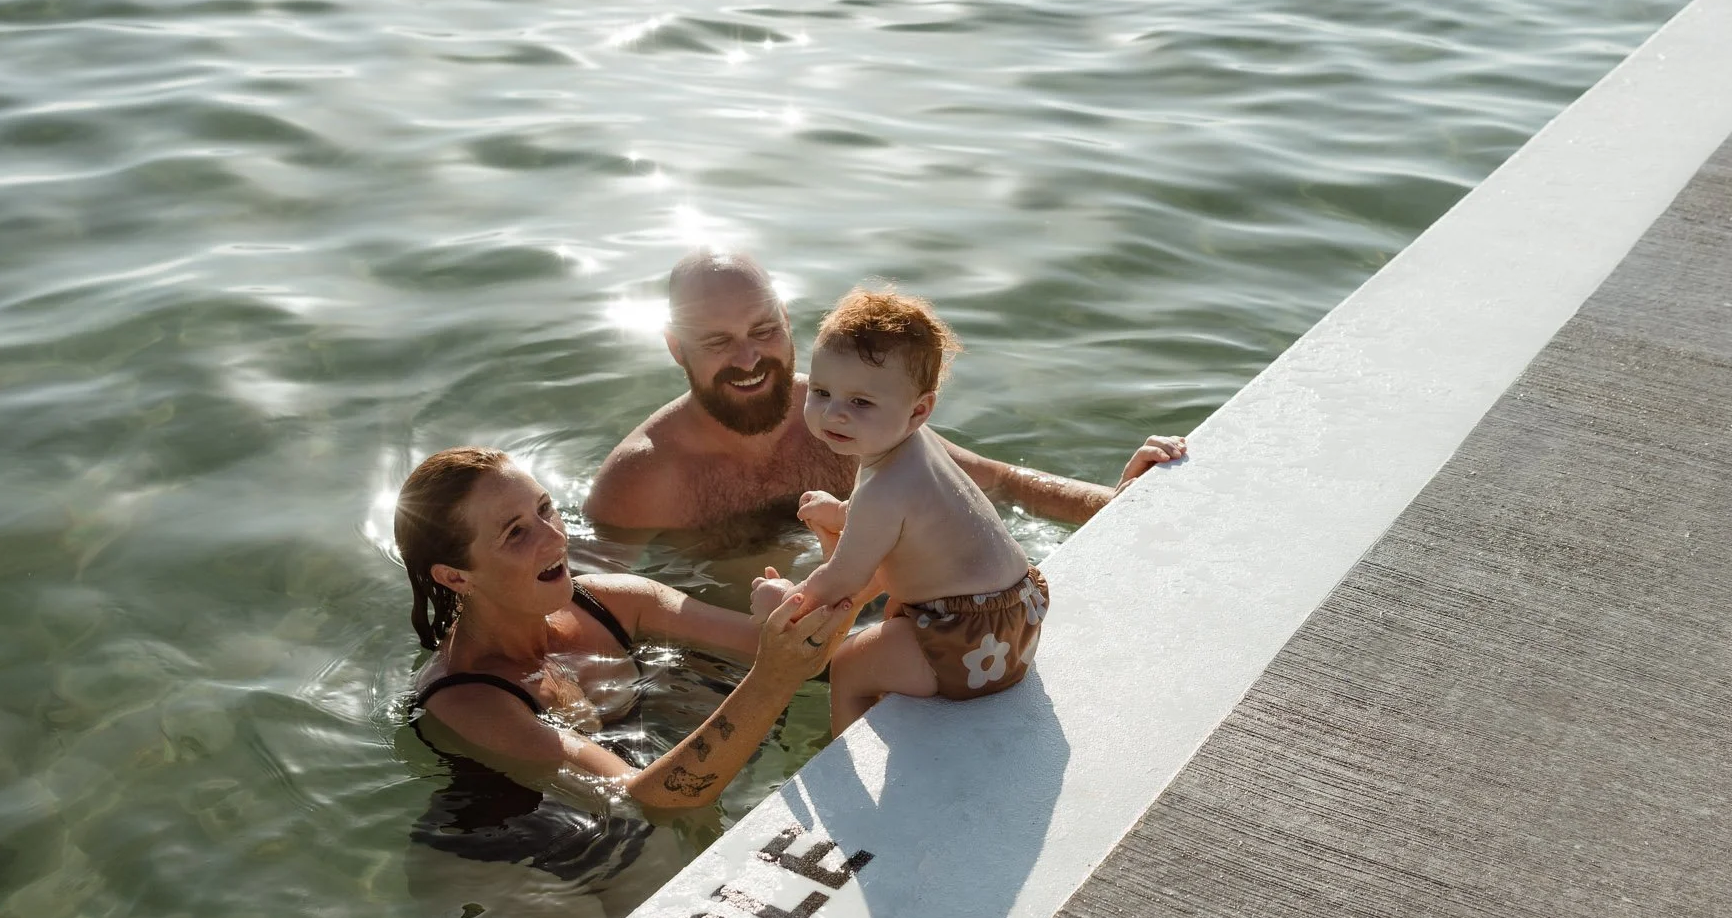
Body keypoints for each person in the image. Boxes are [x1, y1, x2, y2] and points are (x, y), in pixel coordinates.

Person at [395, 448, 848, 830]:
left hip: (631, 813)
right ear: (456, 576)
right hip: (524, 859)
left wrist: (839, 569)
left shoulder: (614, 602)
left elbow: (806, 652)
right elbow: (650, 800)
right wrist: (771, 679)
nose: (554, 537)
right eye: (515, 533)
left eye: (545, 508)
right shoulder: (470, 700)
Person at [583, 249, 1186, 535]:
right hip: (738, 660)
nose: (748, 359)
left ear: (787, 322)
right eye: (718, 342)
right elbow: (598, 608)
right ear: (675, 347)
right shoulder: (642, 479)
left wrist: (1121, 503)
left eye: (763, 331)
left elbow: (998, 483)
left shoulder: (841, 411)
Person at [752, 288, 1046, 732]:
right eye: (821, 391)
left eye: (860, 402)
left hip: (972, 641)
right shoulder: (913, 450)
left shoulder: (884, 489)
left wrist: (785, 602)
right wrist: (843, 513)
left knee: (849, 664)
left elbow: (842, 580)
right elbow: (903, 521)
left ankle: (840, 755)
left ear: (919, 410)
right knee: (890, 627)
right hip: (1018, 615)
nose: (834, 413)